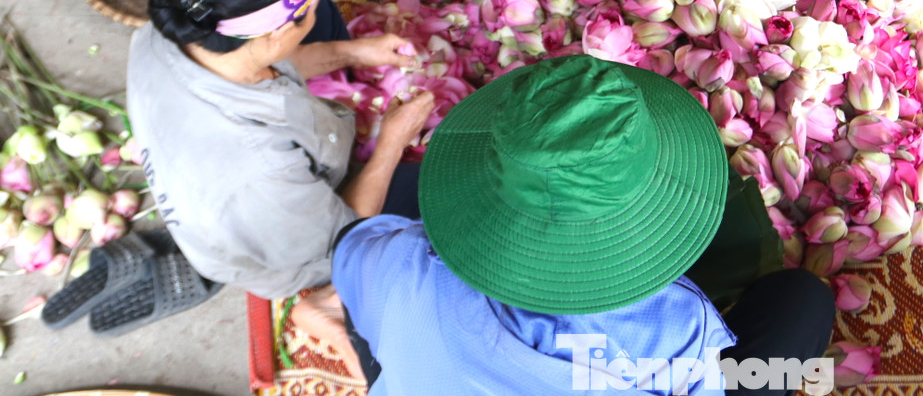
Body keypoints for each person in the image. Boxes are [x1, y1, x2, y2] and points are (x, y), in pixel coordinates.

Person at [332, 54, 838, 395]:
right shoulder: (674, 323)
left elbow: (349, 247)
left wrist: (391, 145)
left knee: (398, 188)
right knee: (801, 303)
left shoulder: (398, 259)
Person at [127, 0, 434, 301]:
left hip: (223, 170)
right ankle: (324, 305)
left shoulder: (161, 33)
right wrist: (392, 141)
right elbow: (348, 234)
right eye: (301, 14)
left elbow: (266, 61)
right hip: (301, 249)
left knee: (321, 16)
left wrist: (354, 51)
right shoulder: (261, 169)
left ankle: (329, 48)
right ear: (277, 34)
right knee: (446, 183)